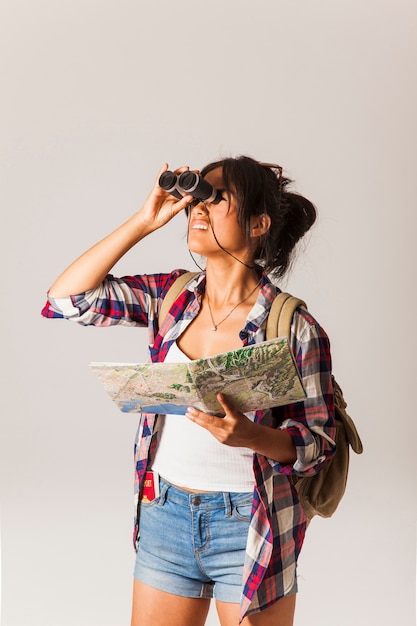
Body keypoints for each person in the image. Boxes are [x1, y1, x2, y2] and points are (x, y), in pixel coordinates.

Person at [42, 155, 336, 626]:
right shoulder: (172, 296)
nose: (198, 208)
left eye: (218, 199)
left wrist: (252, 436)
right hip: (166, 512)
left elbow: (318, 445)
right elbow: (66, 300)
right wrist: (143, 222)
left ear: (259, 224)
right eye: (198, 196)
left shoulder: (293, 327)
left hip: (249, 522)